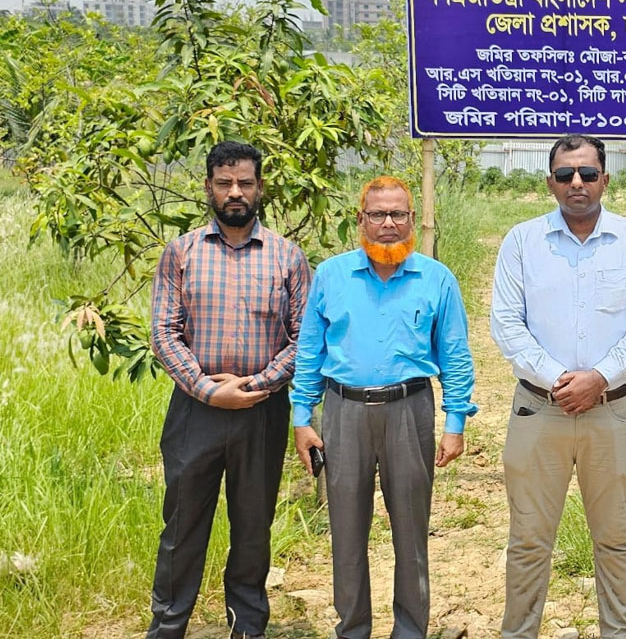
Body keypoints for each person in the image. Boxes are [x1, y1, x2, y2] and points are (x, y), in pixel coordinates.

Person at [490, 133, 626, 639]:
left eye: (587, 174)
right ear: (550, 183)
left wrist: (600, 378)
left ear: (605, 180)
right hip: (538, 410)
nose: (577, 183)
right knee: (528, 541)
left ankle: (621, 633)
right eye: (565, 174)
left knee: (616, 539)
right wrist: (559, 381)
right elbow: (506, 322)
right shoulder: (522, 242)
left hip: (611, 411)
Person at [290, 175, 476, 639]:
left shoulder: (436, 279)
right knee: (346, 531)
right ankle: (352, 628)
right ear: (361, 219)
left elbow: (455, 354)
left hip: (409, 409)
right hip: (343, 411)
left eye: (398, 214)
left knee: (411, 530)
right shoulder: (331, 275)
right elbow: (310, 351)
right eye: (378, 214)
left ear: (412, 219)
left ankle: (409, 630)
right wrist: (301, 417)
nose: (388, 223)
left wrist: (455, 421)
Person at [148, 141, 311, 639]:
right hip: (194, 411)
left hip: (262, 412)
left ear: (260, 188)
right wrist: (205, 389)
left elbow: (305, 339)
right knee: (182, 527)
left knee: (252, 528)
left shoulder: (287, 257)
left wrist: (257, 386)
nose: (235, 192)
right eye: (224, 183)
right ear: (209, 188)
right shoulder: (182, 252)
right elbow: (164, 332)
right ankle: (168, 626)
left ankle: (247, 628)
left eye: (244, 182)